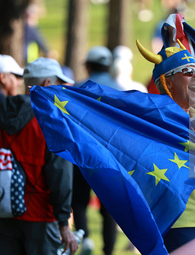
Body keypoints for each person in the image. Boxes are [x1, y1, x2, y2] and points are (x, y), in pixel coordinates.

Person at [137, 39, 195, 253]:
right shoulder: (155, 120)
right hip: (178, 221)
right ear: (167, 81)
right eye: (188, 72)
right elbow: (157, 163)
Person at [0, 57, 78, 255]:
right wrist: (64, 223)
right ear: (47, 84)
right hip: (40, 217)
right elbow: (60, 175)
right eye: (59, 84)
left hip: (3, 214)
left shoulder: (1, 114)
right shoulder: (51, 121)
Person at [72, 45, 119, 255]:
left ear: (89, 66)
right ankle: (108, 251)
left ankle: (86, 239)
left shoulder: (77, 88)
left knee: (79, 200)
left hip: (82, 152)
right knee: (109, 207)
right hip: (111, 156)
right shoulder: (119, 88)